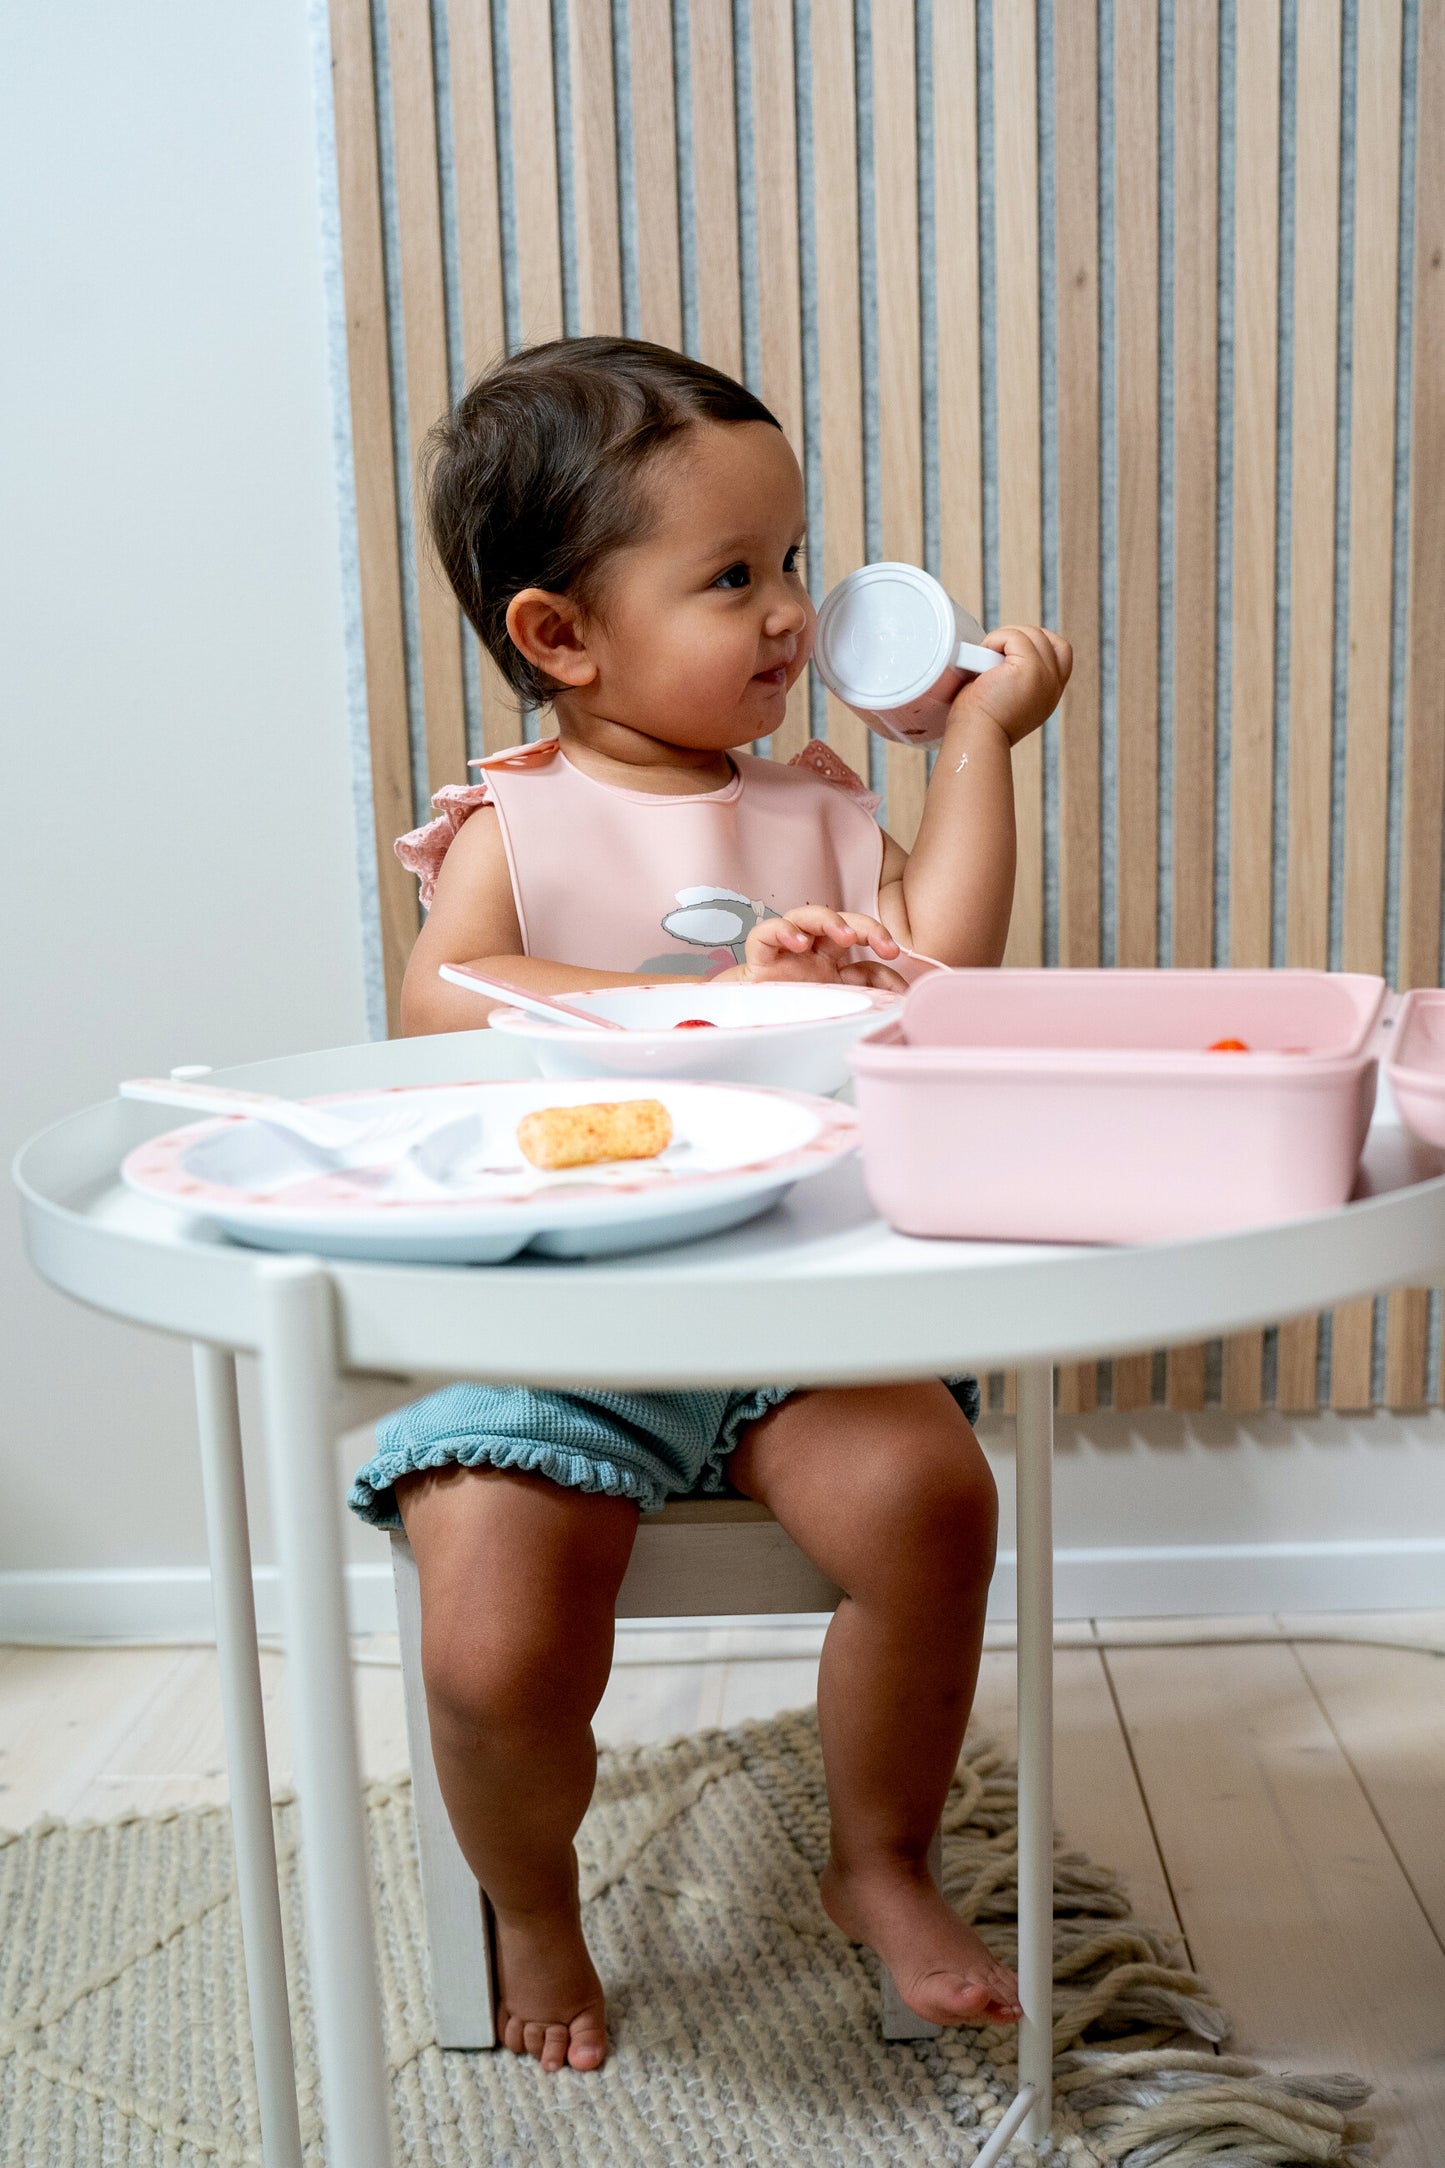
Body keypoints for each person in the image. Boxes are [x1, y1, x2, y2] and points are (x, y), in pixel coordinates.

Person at [348, 337, 1071, 2075]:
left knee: (925, 1498)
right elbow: (439, 1006)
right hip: (553, 1314)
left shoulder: (811, 808)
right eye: (730, 576)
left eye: (795, 564)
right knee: (497, 1640)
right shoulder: (521, 819)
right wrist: (709, 999)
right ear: (561, 636)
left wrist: (969, 744)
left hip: (787, 1316)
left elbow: (941, 967)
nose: (786, 615)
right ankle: (531, 1895)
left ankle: (877, 1856)